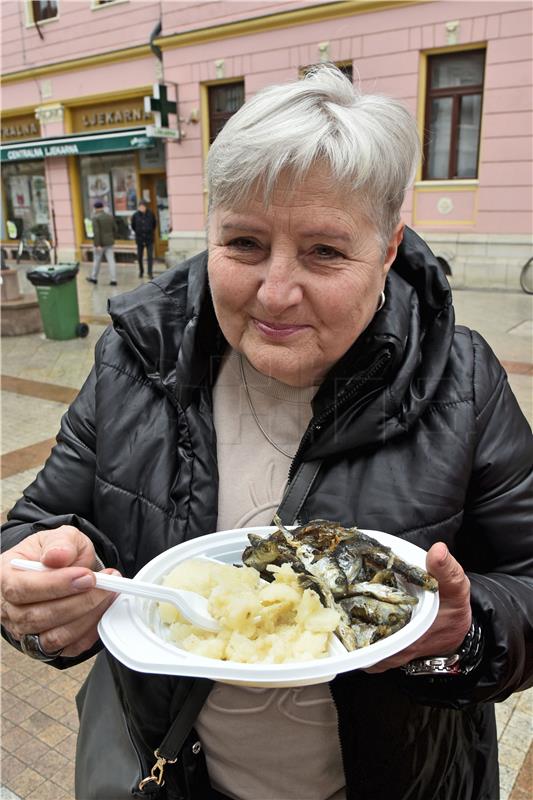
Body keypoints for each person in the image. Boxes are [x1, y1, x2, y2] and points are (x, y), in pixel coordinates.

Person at [1, 66, 532, 800]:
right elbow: (36, 528)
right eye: (244, 243)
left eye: (324, 252)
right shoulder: (136, 358)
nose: (276, 292)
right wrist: (35, 586)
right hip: (174, 777)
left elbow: (528, 582)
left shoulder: (462, 381)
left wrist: (464, 636)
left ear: (385, 250)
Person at [86, 200, 118, 286]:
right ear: (102, 207)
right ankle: (113, 280)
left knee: (97, 261)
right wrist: (111, 237)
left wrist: (97, 244)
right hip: (110, 242)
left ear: (96, 208)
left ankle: (94, 278)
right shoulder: (109, 216)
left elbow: (96, 232)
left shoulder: (95, 218)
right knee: (111, 261)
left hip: (100, 243)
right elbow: (115, 228)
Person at [131, 200, 156, 278]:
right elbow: (133, 226)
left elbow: (154, 224)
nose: (141, 208)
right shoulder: (135, 215)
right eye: (140, 207)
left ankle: (150, 272)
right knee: (139, 257)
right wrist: (139, 232)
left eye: (143, 206)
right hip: (139, 239)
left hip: (149, 238)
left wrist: (149, 231)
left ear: (145, 207)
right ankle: (141, 271)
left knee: (150, 256)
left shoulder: (151, 214)